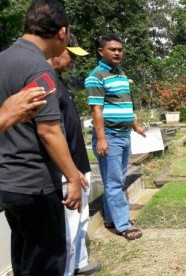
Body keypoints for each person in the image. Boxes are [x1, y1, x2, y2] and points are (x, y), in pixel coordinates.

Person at [0, 1, 86, 275]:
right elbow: (48, 131)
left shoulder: (3, 59)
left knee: (24, 260)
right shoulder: (39, 69)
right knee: (46, 265)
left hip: (8, 182)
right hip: (35, 184)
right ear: (62, 32)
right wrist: (73, 177)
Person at [48, 34, 101, 276]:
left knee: (81, 221)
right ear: (56, 47)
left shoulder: (60, 80)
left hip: (79, 163)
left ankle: (79, 262)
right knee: (68, 228)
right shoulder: (46, 81)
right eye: (71, 55)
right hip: (68, 169)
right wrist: (72, 172)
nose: (74, 62)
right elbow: (52, 132)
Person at [85, 34, 145, 240]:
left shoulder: (120, 74)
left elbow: (126, 104)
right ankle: (123, 225)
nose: (118, 52)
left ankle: (111, 219)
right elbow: (97, 110)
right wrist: (101, 139)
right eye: (113, 49)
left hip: (123, 135)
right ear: (101, 51)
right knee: (114, 182)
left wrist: (135, 125)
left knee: (116, 179)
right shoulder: (96, 76)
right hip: (109, 136)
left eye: (120, 49)